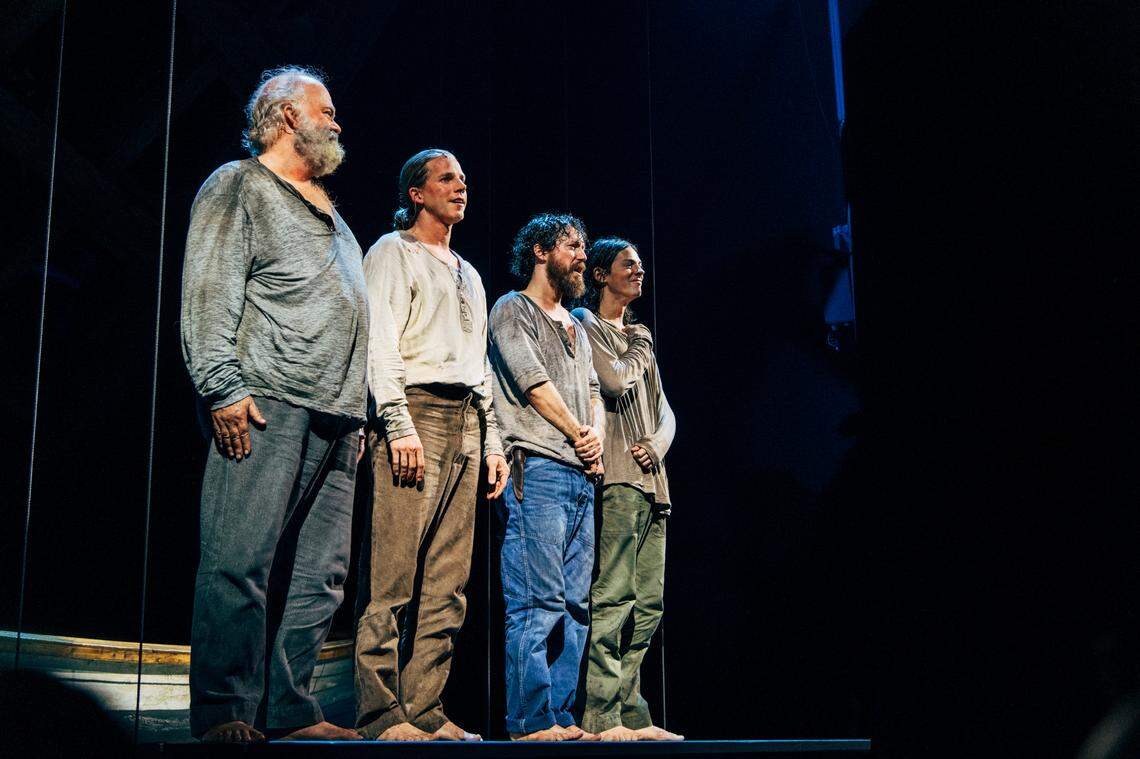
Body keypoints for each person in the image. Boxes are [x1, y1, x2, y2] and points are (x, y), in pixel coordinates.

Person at [180, 66, 366, 743]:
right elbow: (209, 287)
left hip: (339, 416)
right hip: (267, 400)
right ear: (289, 115)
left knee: (324, 578)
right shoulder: (240, 184)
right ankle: (224, 711)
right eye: (327, 109)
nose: (337, 122)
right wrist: (222, 386)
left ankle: (292, 710)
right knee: (239, 561)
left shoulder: (333, 214)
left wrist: (361, 414)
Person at [354, 149, 509, 742]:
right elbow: (380, 343)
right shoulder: (392, 252)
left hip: (467, 418)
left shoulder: (469, 271)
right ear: (416, 193)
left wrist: (493, 440)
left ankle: (425, 708)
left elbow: (480, 362)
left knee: (449, 580)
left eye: (463, 178)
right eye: (447, 178)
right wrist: (396, 423)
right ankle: (380, 713)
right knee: (392, 573)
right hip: (416, 410)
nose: (460, 186)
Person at [489, 213, 605, 741]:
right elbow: (530, 381)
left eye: (583, 246)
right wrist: (579, 434)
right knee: (537, 601)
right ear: (540, 251)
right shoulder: (512, 308)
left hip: (581, 476)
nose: (582, 256)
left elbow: (595, 392)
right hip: (537, 469)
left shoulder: (577, 324)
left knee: (575, 605)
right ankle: (530, 720)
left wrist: (595, 436)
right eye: (571, 245)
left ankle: (559, 714)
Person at [572, 238, 683, 741]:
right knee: (615, 595)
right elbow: (614, 381)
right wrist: (640, 344)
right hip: (617, 475)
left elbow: (666, 411)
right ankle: (601, 715)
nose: (639, 271)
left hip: (653, 481)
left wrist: (657, 446)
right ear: (601, 275)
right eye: (628, 264)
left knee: (649, 602)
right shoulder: (587, 322)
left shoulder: (640, 337)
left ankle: (631, 712)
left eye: (640, 264)